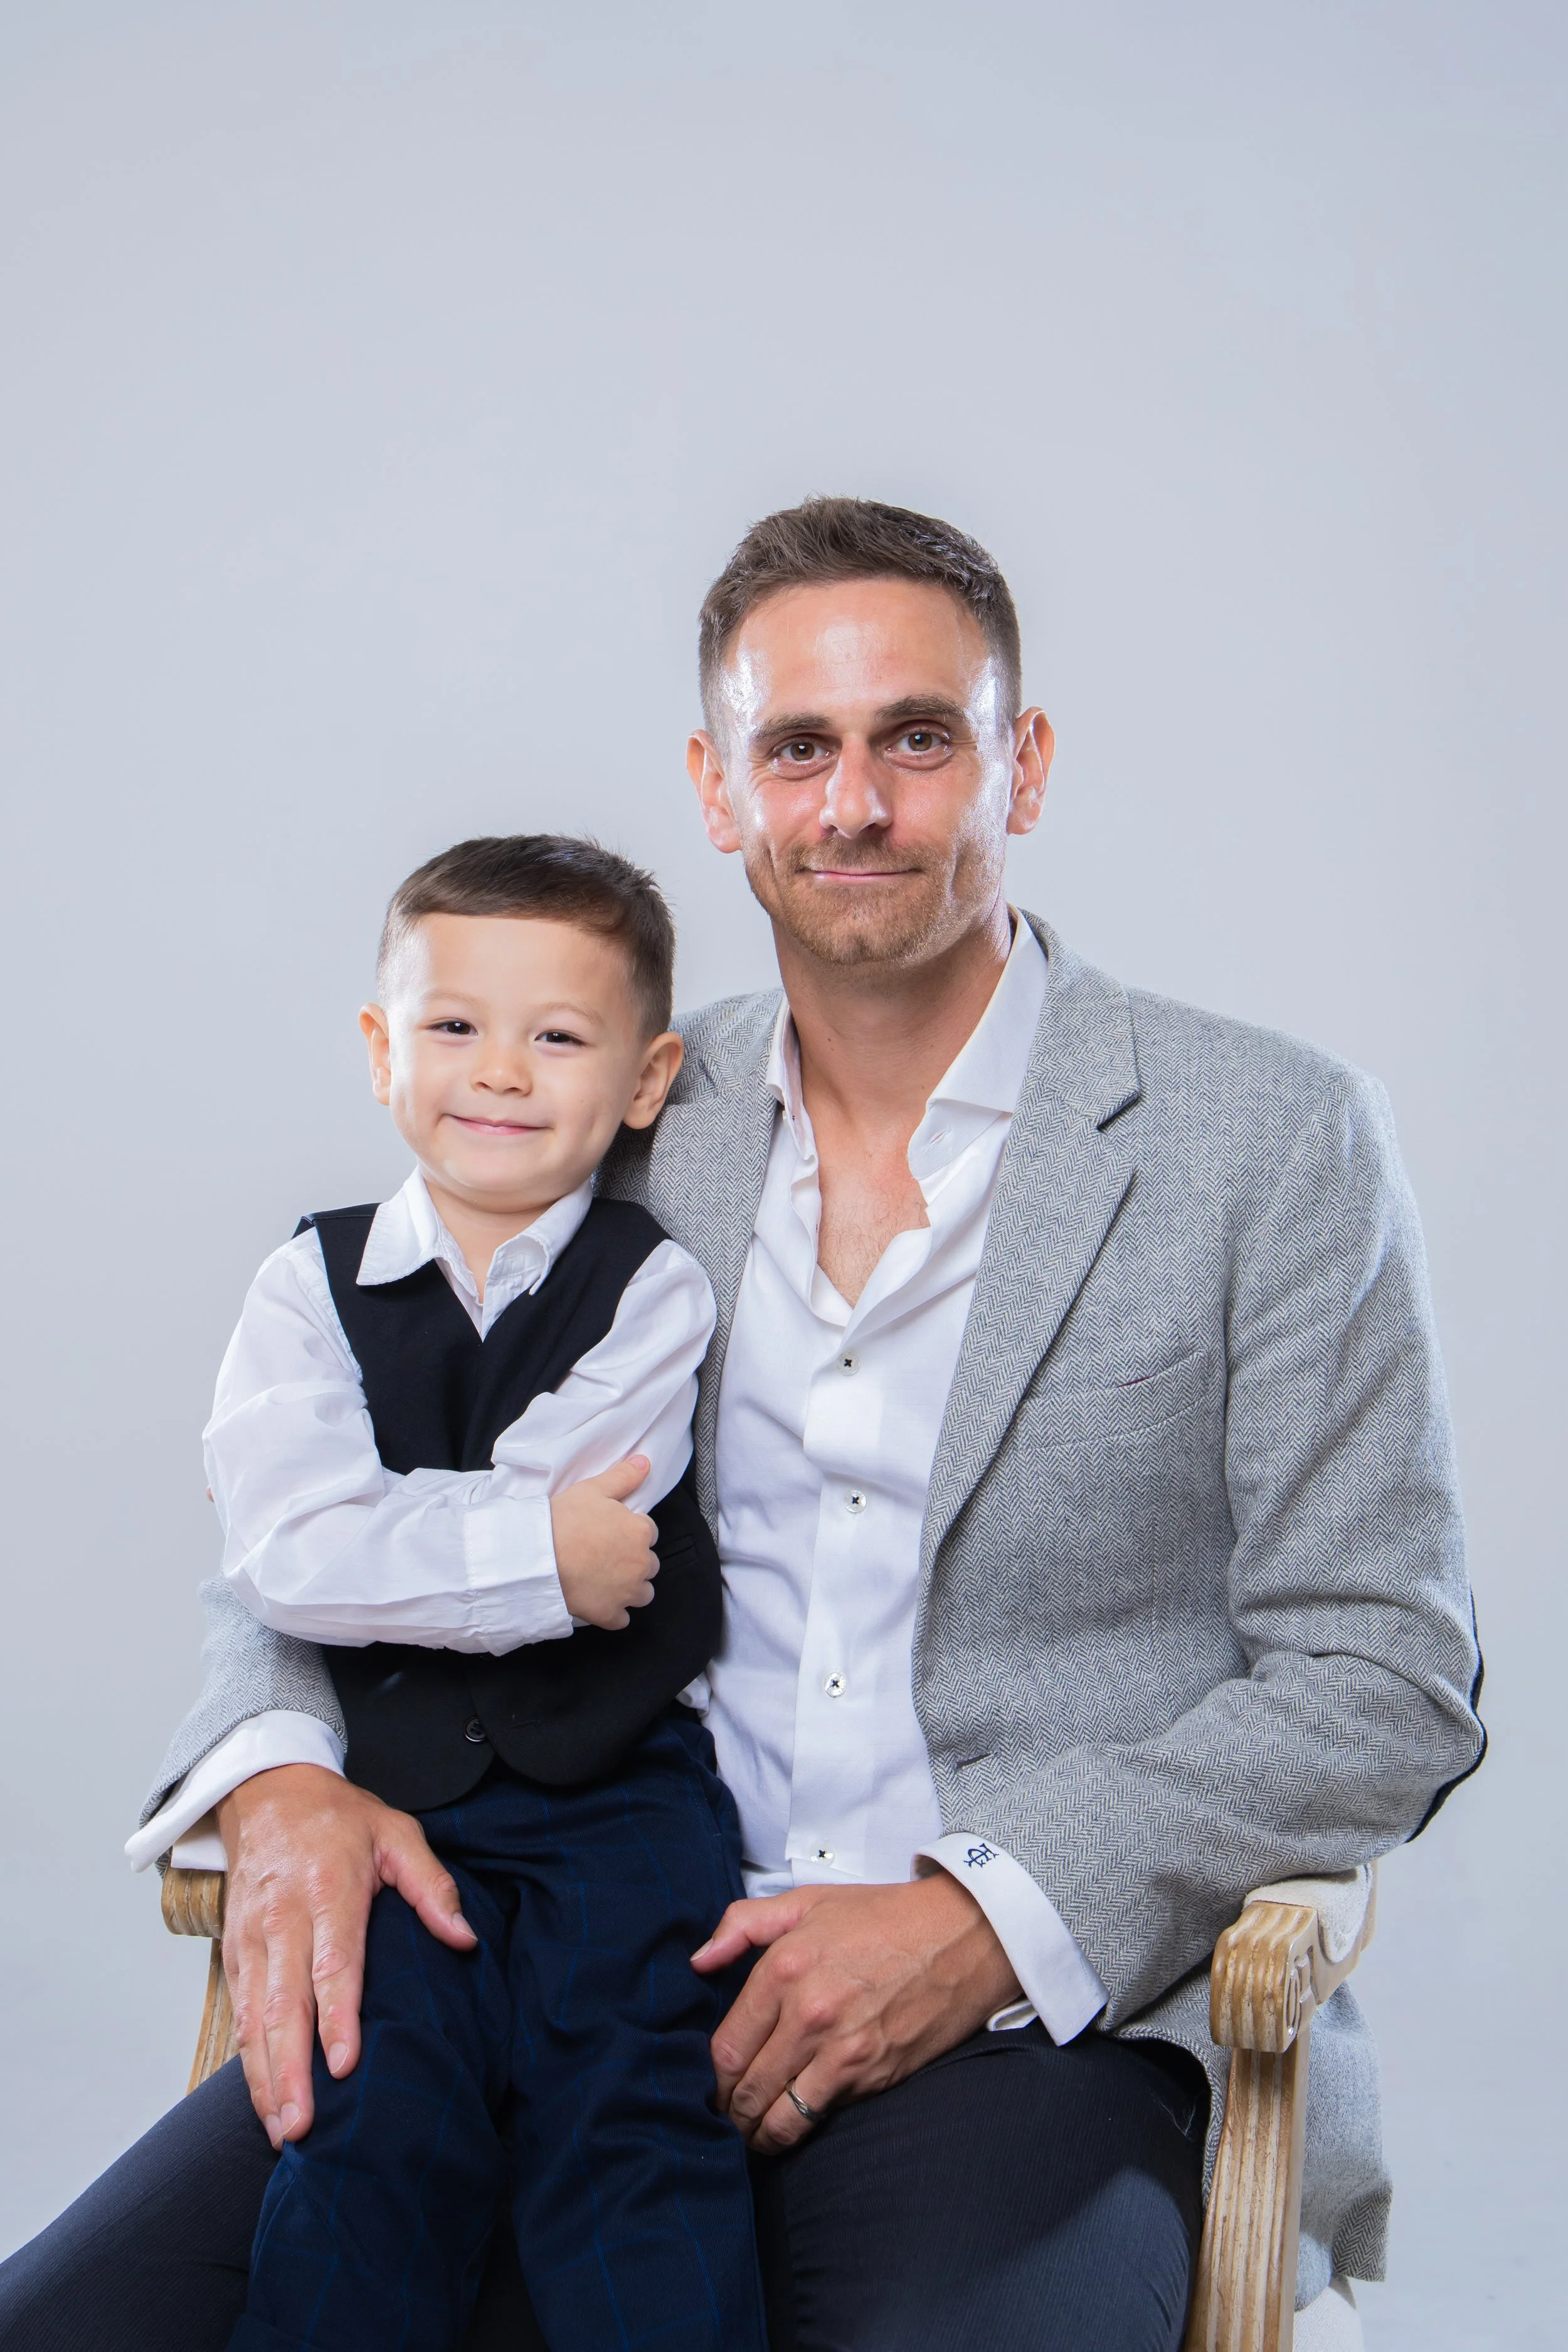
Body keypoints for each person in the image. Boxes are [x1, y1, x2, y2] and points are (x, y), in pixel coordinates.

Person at [0, 498, 1484, 2352]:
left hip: (1028, 2026)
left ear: (1018, 759)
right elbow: (332, 1485)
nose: (852, 804)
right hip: (555, 1947)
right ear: (717, 790)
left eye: (914, 737)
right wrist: (282, 1771)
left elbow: (1382, 1666)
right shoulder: (609, 1101)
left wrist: (977, 1913)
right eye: (799, 746)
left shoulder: (1267, 1139)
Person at [185, 832, 767, 2352]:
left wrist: (388, 1537)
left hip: (620, 1802)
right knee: (370, 2130)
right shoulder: (302, 1287)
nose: (498, 1072)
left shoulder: (653, 1289)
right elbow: (282, 1549)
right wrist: (527, 1556)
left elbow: (586, 1509)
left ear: (642, 1084)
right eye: (452, 1026)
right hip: (398, 1819)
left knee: (634, 2138)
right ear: (382, 1050)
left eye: (557, 1037)